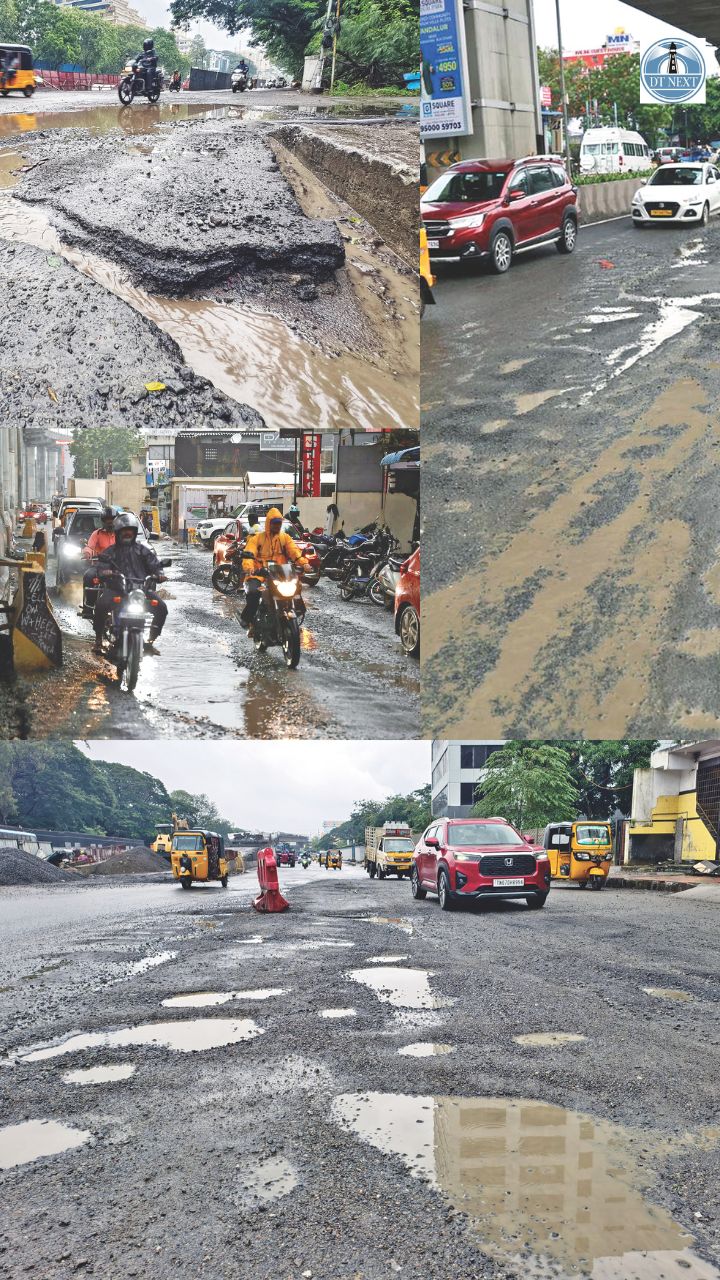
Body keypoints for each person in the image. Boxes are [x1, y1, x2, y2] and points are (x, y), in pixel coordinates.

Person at [93, 513, 168, 654]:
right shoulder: (110, 552)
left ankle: (150, 641)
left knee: (162, 607)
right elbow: (101, 566)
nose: (127, 534)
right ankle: (98, 640)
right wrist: (105, 572)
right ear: (117, 532)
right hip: (116, 589)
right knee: (101, 605)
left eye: (130, 531)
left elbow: (155, 564)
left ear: (134, 533)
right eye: (124, 531)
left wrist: (160, 574)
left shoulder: (143, 550)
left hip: (140, 591)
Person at [239, 507, 307, 630]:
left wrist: (303, 563)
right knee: (254, 593)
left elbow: (294, 551)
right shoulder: (257, 538)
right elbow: (249, 552)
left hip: (280, 573)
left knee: (297, 587)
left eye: (279, 523)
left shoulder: (285, 538)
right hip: (259, 573)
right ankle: (247, 618)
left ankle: (294, 614)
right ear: (268, 523)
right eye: (275, 523)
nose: (277, 526)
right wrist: (249, 568)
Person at [81, 506, 117, 617]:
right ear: (103, 521)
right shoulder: (96, 534)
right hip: (99, 566)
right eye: (107, 520)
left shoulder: (121, 534)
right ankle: (88, 606)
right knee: (88, 576)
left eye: (112, 520)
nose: (110, 523)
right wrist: (87, 553)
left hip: (118, 567)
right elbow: (90, 547)